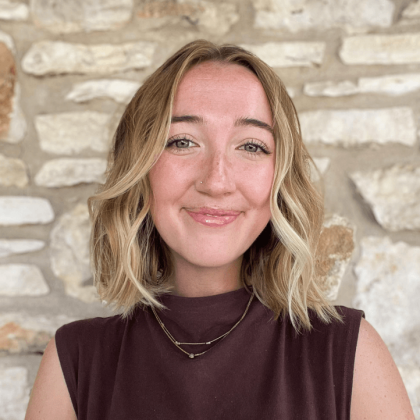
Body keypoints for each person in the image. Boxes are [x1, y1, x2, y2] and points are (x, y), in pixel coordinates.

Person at [25, 40, 415, 420]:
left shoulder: (347, 353)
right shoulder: (75, 361)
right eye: (182, 141)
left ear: (280, 179)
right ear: (140, 168)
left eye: (251, 146)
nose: (216, 181)